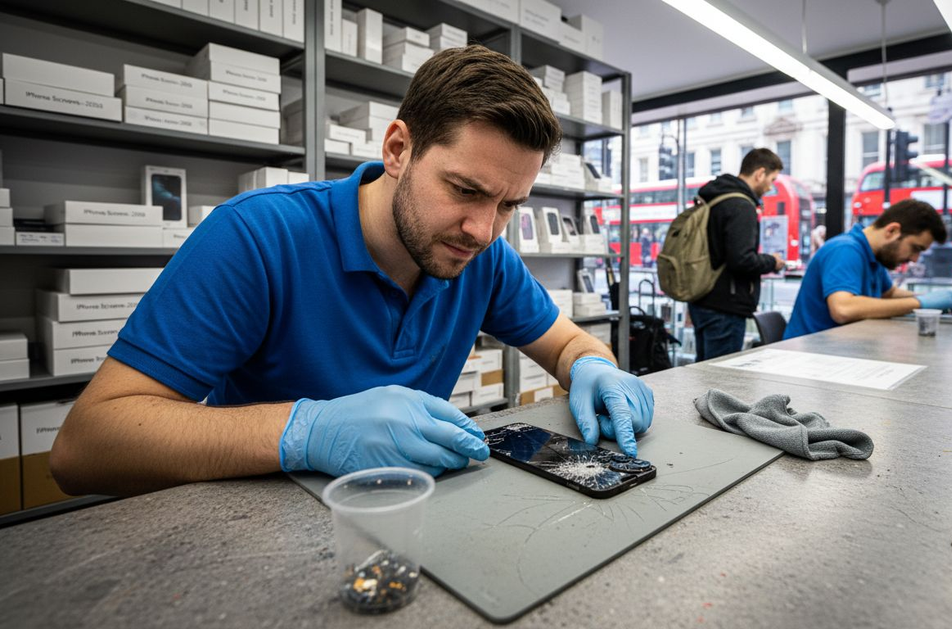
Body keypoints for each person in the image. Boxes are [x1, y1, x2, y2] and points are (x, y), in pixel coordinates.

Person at [49, 46, 654, 497]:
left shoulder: (484, 257)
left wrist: (594, 367)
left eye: (508, 204)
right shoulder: (258, 236)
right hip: (258, 528)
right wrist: (306, 431)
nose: (483, 229)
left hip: (407, 515)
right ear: (398, 150)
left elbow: (567, 343)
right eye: (465, 190)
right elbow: (85, 447)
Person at [784, 199, 952, 340]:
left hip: (838, 349)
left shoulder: (874, 255)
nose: (915, 259)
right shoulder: (845, 250)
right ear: (892, 231)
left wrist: (933, 298)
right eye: (915, 248)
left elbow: (889, 294)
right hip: (809, 357)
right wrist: (920, 303)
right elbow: (843, 309)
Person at [686, 148, 786, 360]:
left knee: (704, 370)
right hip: (725, 306)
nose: (770, 187)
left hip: (702, 298)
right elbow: (741, 259)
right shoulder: (741, 205)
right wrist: (772, 262)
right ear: (760, 173)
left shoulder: (715, 198)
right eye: (772, 179)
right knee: (720, 375)